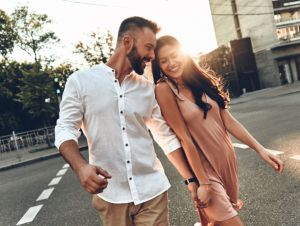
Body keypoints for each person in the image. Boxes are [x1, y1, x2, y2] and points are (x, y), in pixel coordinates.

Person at [55, 17, 198, 226]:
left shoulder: (147, 88)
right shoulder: (80, 82)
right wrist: (80, 167)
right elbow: (65, 129)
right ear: (128, 42)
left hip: (152, 191)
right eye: (148, 48)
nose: (152, 56)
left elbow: (165, 136)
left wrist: (191, 180)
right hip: (111, 196)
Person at [152, 35, 284, 226]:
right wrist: (202, 182)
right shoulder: (164, 89)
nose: (171, 63)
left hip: (226, 162)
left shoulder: (199, 81)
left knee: (217, 222)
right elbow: (184, 139)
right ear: (158, 65)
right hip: (205, 168)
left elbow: (229, 122)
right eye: (164, 61)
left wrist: (261, 150)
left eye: (174, 56)